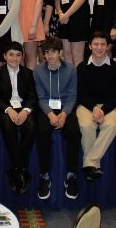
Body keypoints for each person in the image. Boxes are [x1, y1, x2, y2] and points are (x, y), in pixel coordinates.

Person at [33, 37, 80, 199]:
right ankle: (44, 175)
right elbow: (41, 97)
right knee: (43, 131)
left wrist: (65, 114)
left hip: (66, 107)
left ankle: (71, 175)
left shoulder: (71, 70)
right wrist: (51, 114)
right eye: (46, 52)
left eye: (53, 52)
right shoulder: (38, 71)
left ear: (60, 53)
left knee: (74, 131)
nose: (50, 56)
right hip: (47, 109)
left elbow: (73, 96)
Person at [76, 31, 116, 181]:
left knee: (111, 125)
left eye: (103, 44)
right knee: (86, 126)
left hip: (109, 106)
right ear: (90, 46)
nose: (99, 47)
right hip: (87, 105)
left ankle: (89, 163)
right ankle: (93, 165)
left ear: (107, 47)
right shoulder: (82, 67)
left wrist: (103, 109)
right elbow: (81, 94)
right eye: (96, 44)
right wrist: (94, 108)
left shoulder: (115, 68)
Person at [0, 42, 37, 194]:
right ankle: (20, 168)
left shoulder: (28, 73)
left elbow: (32, 97)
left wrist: (25, 111)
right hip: (4, 108)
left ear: (22, 57)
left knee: (31, 127)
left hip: (22, 107)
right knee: (7, 127)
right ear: (4, 56)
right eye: (11, 55)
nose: (14, 58)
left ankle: (17, 167)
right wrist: (8, 110)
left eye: (18, 55)